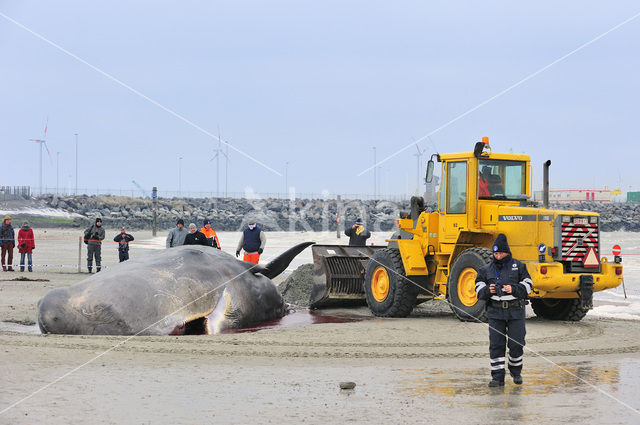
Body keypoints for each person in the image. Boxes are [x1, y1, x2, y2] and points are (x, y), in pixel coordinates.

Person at [475, 233, 532, 387]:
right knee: (496, 345)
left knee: (516, 344)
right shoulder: (485, 270)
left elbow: (528, 286)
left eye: (501, 253)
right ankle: (497, 377)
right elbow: (478, 291)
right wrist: (488, 290)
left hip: (516, 312)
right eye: (495, 253)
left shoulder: (519, 266)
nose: (498, 256)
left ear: (507, 252)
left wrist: (513, 288)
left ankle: (516, 371)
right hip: (495, 313)